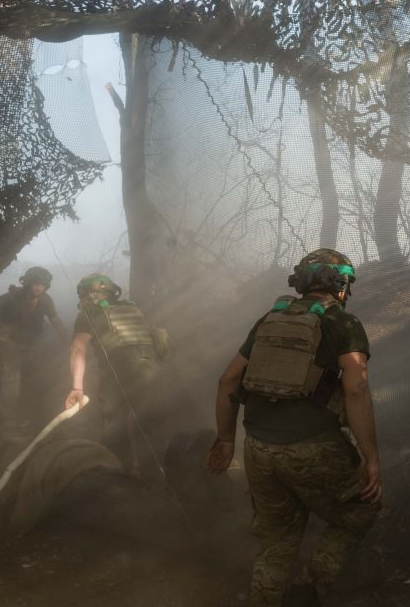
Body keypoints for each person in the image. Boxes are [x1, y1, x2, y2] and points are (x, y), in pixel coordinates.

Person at [207, 248, 382, 607]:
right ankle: (309, 590)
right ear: (342, 285)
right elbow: (357, 388)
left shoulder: (270, 319)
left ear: (302, 283)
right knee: (362, 509)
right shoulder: (343, 323)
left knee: (277, 544)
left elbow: (227, 382)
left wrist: (226, 440)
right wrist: (370, 458)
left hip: (257, 448)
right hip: (312, 446)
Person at [64, 273, 166, 479]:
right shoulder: (132, 307)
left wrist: (77, 387)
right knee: (148, 423)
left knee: (115, 425)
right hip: (152, 371)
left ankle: (120, 479)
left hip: (120, 371)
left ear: (86, 294)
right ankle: (154, 479)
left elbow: (78, 348)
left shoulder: (89, 311)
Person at [0, 266, 68, 430]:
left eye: (42, 284)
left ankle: (24, 417)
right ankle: (7, 420)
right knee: (11, 379)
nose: (38, 287)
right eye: (36, 283)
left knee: (31, 379)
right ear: (28, 283)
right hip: (6, 341)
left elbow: (56, 322)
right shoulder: (14, 295)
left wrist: (69, 343)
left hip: (29, 345)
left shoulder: (46, 300)